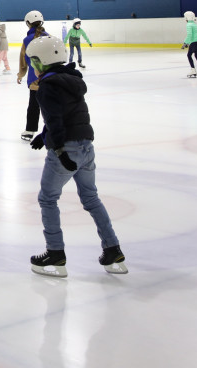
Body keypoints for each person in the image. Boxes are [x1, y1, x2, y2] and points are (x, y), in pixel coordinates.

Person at [24, 35, 127, 278]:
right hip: (86, 146)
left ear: (42, 61)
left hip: (65, 149)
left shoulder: (47, 86)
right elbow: (67, 114)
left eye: (34, 62)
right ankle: (113, 250)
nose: (33, 67)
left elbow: (56, 121)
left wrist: (59, 150)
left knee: (47, 199)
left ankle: (55, 253)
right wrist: (44, 135)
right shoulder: (72, 80)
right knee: (91, 198)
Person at [16, 10, 48, 141]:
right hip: (50, 76)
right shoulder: (49, 37)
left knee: (34, 105)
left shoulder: (27, 40)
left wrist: (20, 74)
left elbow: (23, 61)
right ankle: (53, 128)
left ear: (28, 23)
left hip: (35, 78)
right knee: (50, 104)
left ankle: (30, 131)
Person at [182, 11, 197, 78]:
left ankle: (193, 70)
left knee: (189, 55)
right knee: (196, 55)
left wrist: (185, 43)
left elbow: (189, 34)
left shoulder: (188, 25)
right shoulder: (194, 24)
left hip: (194, 42)